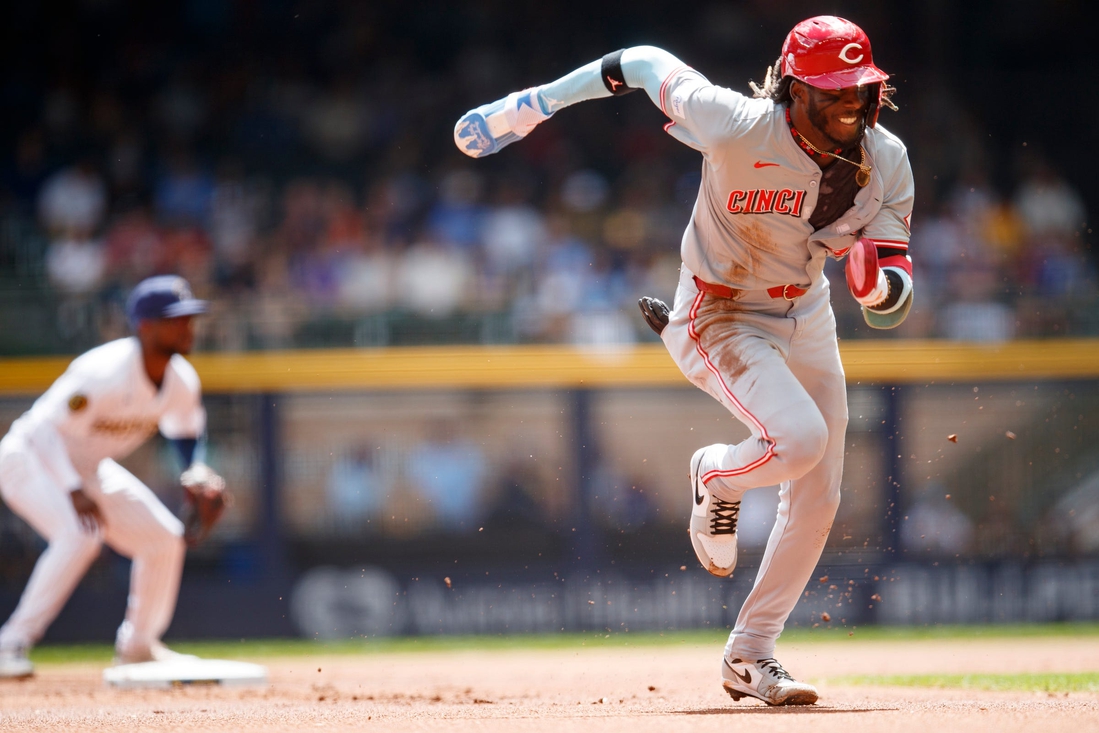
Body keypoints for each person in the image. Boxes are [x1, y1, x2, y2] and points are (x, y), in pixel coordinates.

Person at [455, 16, 914, 705]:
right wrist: (535, 103)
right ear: (794, 89)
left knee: (820, 491)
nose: (850, 102)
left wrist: (882, 290)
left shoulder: (887, 159)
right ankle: (716, 475)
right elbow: (641, 61)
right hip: (720, 313)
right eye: (832, 89)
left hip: (807, 310)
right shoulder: (735, 123)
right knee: (799, 441)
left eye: (859, 87)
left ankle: (750, 654)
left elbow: (893, 292)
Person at [0, 275, 225, 678]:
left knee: (163, 540)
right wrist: (73, 489)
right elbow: (46, 430)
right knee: (80, 534)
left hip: (86, 467)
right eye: (175, 320)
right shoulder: (103, 371)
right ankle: (9, 644)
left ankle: (139, 647)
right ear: (145, 326)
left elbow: (186, 432)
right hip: (28, 456)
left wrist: (197, 474)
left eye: (189, 318)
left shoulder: (181, 380)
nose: (187, 327)